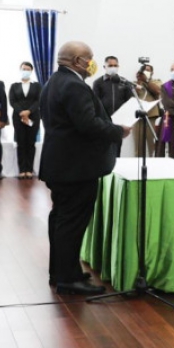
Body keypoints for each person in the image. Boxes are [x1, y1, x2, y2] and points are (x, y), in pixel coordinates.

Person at [39, 41, 131, 295]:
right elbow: (87, 124)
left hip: (61, 164)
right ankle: (68, 279)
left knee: (60, 219)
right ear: (78, 61)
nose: (92, 63)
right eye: (90, 58)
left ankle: (60, 272)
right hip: (75, 167)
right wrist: (117, 131)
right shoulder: (74, 85)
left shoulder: (54, 81)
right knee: (71, 222)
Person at [8, 61, 42, 179]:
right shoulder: (14, 85)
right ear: (20, 69)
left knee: (30, 143)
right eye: (23, 68)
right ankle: (22, 170)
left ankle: (29, 169)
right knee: (21, 143)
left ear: (31, 71)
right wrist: (22, 112)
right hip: (18, 117)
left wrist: (29, 112)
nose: (25, 71)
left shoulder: (37, 85)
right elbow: (12, 101)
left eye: (28, 69)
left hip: (33, 117)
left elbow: (39, 100)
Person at [133, 63, 162, 157]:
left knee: (152, 146)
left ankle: (154, 165)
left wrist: (146, 80)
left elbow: (158, 91)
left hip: (151, 116)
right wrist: (139, 81)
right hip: (138, 118)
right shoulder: (135, 83)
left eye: (148, 70)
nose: (146, 72)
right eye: (144, 70)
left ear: (152, 72)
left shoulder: (156, 82)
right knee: (138, 147)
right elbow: (133, 95)